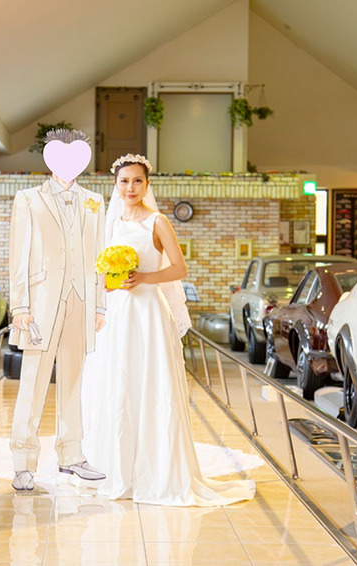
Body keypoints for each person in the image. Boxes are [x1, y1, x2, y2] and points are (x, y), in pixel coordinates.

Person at [82, 154, 256, 506]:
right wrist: (108, 286)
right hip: (118, 314)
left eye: (137, 181)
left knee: (151, 384)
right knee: (119, 385)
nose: (130, 187)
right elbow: (101, 274)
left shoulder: (157, 222)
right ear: (115, 186)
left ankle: (157, 473)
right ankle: (117, 469)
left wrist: (144, 277)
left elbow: (179, 269)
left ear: (147, 185)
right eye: (124, 181)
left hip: (148, 312)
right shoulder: (112, 223)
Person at [8, 129, 107, 491]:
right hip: (41, 304)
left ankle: (72, 455)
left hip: (80, 301)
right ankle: (23, 463)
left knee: (73, 383)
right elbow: (18, 254)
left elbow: (99, 254)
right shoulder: (28, 199)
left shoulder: (94, 201)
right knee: (32, 384)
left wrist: (99, 304)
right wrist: (20, 305)